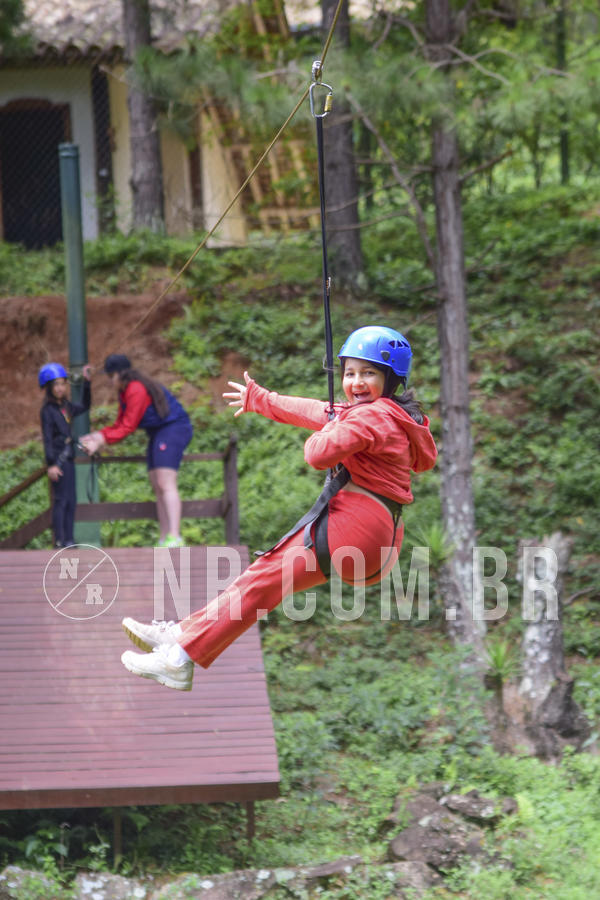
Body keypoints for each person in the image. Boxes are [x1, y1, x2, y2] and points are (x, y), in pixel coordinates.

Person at [120, 325, 438, 690]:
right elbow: (317, 410)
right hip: (379, 543)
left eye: (369, 373)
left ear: (391, 379)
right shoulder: (388, 416)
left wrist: (327, 432)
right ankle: (180, 638)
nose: (356, 382)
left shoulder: (371, 416)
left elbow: (318, 454)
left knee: (263, 578)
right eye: (350, 373)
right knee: (263, 582)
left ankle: (178, 657)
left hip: (357, 526)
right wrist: (261, 399)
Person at [79, 355, 193, 547]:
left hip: (174, 429)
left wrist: (101, 441)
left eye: (110, 376)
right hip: (157, 433)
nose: (109, 380)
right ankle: (165, 537)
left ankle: (175, 536)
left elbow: (128, 427)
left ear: (120, 374)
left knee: (166, 482)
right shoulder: (124, 392)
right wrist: (98, 436)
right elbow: (120, 424)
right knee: (157, 484)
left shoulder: (135, 389)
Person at [39, 362, 92, 548]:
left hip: (69, 459)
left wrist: (86, 383)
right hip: (58, 461)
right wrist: (51, 464)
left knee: (71, 500)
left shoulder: (66, 407)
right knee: (60, 501)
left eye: (63, 383)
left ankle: (69, 539)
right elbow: (47, 438)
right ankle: (60, 540)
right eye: (56, 384)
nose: (60, 388)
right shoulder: (47, 411)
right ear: (48, 387)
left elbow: (85, 405)